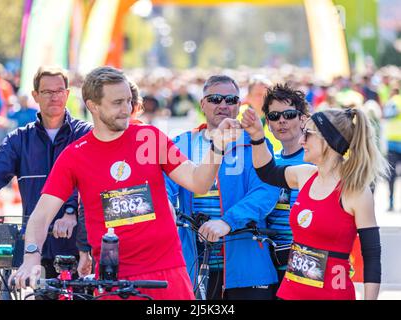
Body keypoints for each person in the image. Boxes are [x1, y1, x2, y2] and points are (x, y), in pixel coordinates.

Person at [11, 66, 240, 300]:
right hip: (114, 281)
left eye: (129, 101)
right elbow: (41, 215)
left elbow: (198, 183)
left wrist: (217, 147)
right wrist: (31, 258)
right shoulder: (75, 155)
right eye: (117, 102)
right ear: (93, 106)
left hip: (167, 273)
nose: (126, 109)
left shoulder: (149, 138)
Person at [241, 105, 388, 300]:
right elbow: (266, 172)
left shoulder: (356, 192)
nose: (301, 140)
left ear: (328, 141)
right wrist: (257, 137)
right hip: (289, 293)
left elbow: (371, 255)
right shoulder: (304, 175)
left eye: (307, 134)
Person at [165, 75, 280, 300]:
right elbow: (163, 188)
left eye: (230, 99)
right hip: (194, 263)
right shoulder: (182, 143)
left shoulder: (256, 142)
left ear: (239, 104)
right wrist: (166, 208)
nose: (223, 105)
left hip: (248, 268)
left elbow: (266, 191)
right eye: (215, 99)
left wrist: (227, 221)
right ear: (203, 104)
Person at [0, 66, 93, 278]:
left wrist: (71, 211)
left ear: (68, 94)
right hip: (36, 249)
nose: (54, 97)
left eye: (59, 91)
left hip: (79, 247)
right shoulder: (19, 139)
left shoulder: (85, 134)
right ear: (35, 96)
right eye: (47, 92)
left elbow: (93, 183)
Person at [259, 83, 310, 297]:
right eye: (274, 116)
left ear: (303, 118)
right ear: (268, 124)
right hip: (271, 263)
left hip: (307, 262)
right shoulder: (268, 163)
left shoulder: (315, 160)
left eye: (289, 114)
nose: (282, 120)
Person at [383, 86, 401, 212]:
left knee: (392, 174)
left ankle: (391, 202)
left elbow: (387, 115)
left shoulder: (392, 101)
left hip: (393, 142)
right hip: (394, 141)